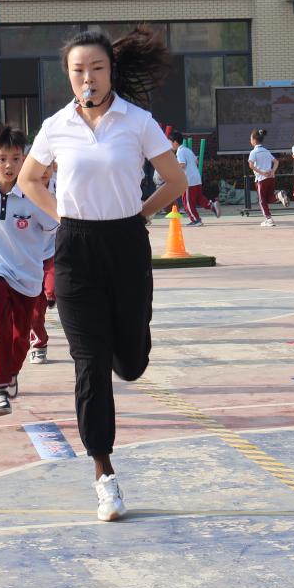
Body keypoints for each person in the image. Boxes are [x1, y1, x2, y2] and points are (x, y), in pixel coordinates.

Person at [17, 26, 187, 522]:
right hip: (75, 249)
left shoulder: (137, 122)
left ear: (111, 71)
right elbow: (29, 178)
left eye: (96, 68)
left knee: (130, 363)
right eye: (78, 70)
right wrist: (62, 216)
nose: (87, 78)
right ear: (68, 76)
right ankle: (104, 475)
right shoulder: (56, 126)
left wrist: (141, 215)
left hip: (126, 244)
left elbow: (175, 179)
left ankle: (123, 350)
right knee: (88, 363)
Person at [0, 125, 58, 419]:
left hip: (28, 276)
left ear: (25, 160)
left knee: (20, 336)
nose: (9, 165)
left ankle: (10, 373)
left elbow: (54, 225)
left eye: (16, 159)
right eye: (2, 158)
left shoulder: (35, 196)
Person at [28, 164, 58, 364]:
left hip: (55, 251)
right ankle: (39, 345)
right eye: (40, 166)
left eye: (48, 166)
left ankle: (51, 295)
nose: (44, 171)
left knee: (53, 287)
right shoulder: (21, 190)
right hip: (28, 256)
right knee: (35, 311)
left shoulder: (63, 187)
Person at [172, 130, 219, 226]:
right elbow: (196, 161)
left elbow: (182, 164)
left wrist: (173, 171)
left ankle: (196, 220)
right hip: (197, 178)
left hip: (188, 181)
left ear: (175, 142)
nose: (170, 145)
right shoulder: (188, 150)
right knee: (199, 198)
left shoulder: (180, 152)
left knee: (187, 203)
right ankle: (211, 206)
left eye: (170, 142)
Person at [248, 129, 285, 227]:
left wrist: (262, 173)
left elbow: (251, 165)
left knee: (262, 200)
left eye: (250, 139)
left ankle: (268, 219)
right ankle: (279, 196)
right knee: (269, 198)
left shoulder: (253, 152)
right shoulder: (266, 151)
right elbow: (276, 162)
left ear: (254, 140)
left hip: (261, 179)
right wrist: (272, 171)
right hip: (271, 178)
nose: (250, 141)